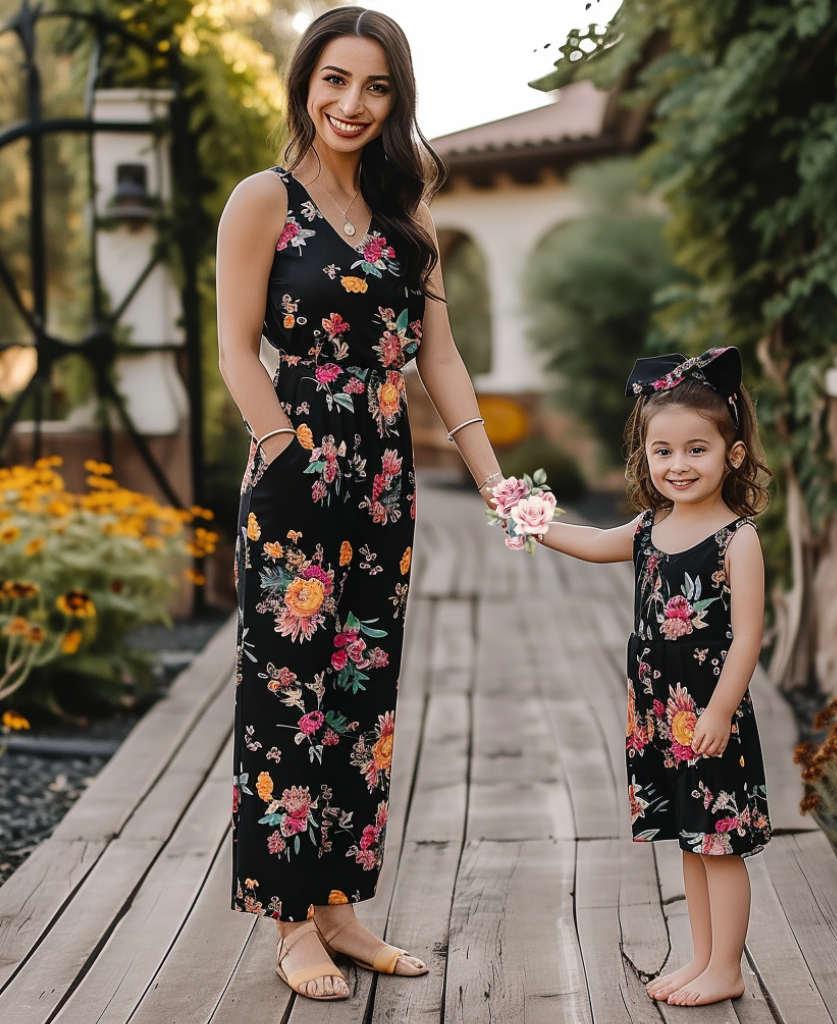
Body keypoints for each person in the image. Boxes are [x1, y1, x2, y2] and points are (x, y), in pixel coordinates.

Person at [216, 7, 503, 1001]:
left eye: (376, 87)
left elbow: (442, 358)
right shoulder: (264, 200)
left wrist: (492, 478)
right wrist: (280, 448)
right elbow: (232, 346)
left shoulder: (402, 212)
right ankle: (290, 920)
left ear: (397, 99)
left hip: (384, 480)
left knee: (361, 698)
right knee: (288, 697)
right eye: (335, 80)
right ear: (304, 83)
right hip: (294, 479)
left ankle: (339, 902)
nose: (352, 103)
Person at [533, 346, 773, 1006]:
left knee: (718, 843)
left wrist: (722, 711)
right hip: (661, 714)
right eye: (662, 450)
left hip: (709, 715)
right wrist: (530, 519)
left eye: (697, 449)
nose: (678, 464)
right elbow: (584, 542)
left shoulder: (736, 540)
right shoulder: (648, 529)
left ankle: (727, 966)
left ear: (735, 454)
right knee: (691, 842)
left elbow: (748, 635)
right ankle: (701, 958)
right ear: (645, 457)